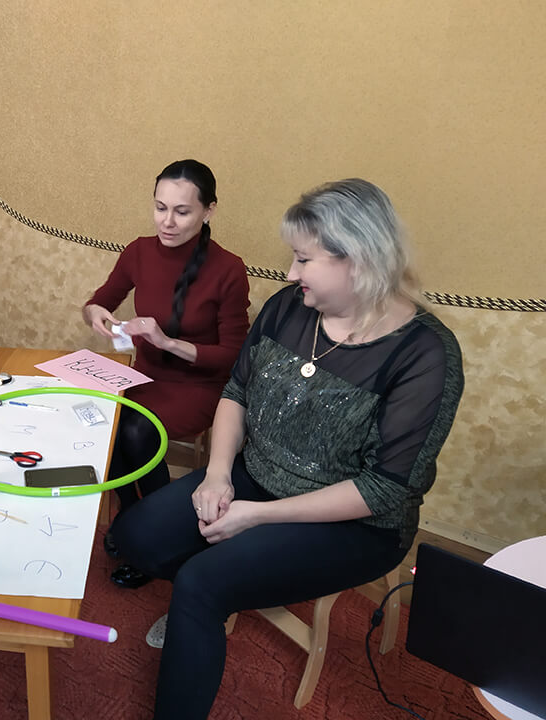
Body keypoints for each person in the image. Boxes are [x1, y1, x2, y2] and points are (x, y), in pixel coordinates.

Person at [112, 178, 465, 719]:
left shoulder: (425, 354)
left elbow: (384, 488)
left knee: (201, 584)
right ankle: (214, 594)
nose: (290, 273)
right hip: (257, 477)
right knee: (133, 537)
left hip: (356, 524)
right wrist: (218, 475)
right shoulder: (289, 308)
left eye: (304, 260)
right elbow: (237, 393)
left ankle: (203, 603)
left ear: (358, 261)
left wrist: (257, 517)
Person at [83, 159, 250, 588]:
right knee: (106, 421)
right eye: (160, 208)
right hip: (145, 375)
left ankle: (155, 535)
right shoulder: (139, 251)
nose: (167, 222)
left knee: (135, 430)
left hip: (200, 385)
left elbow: (233, 356)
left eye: (182, 211)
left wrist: (168, 342)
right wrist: (96, 313)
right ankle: (132, 516)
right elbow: (99, 300)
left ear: (208, 211)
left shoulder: (228, 269)